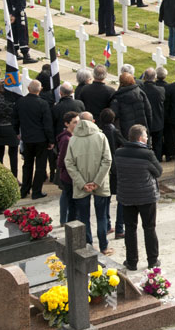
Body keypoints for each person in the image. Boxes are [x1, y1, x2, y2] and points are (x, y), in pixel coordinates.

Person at [114, 123, 163, 271]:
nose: (147, 138)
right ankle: (152, 260)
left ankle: (131, 261)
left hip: (126, 195)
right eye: (146, 136)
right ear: (141, 138)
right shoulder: (147, 154)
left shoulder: (119, 152)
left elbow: (116, 171)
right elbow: (158, 171)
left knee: (130, 228)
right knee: (149, 227)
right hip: (146, 195)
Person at [65, 111, 113, 254]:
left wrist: (82, 183)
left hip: (82, 185)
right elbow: (107, 160)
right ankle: (104, 246)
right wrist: (97, 181)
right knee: (102, 215)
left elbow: (69, 163)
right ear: (93, 121)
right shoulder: (101, 136)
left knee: (84, 216)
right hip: (101, 183)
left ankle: (89, 245)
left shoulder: (73, 140)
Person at [18, 78, 54, 200]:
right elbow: (47, 124)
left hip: (27, 138)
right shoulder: (43, 104)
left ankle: (24, 190)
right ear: (40, 90)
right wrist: (51, 140)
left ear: (28, 89)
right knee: (40, 166)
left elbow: (15, 120)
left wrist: (16, 133)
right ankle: (36, 191)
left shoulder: (20, 102)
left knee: (27, 165)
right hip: (41, 139)